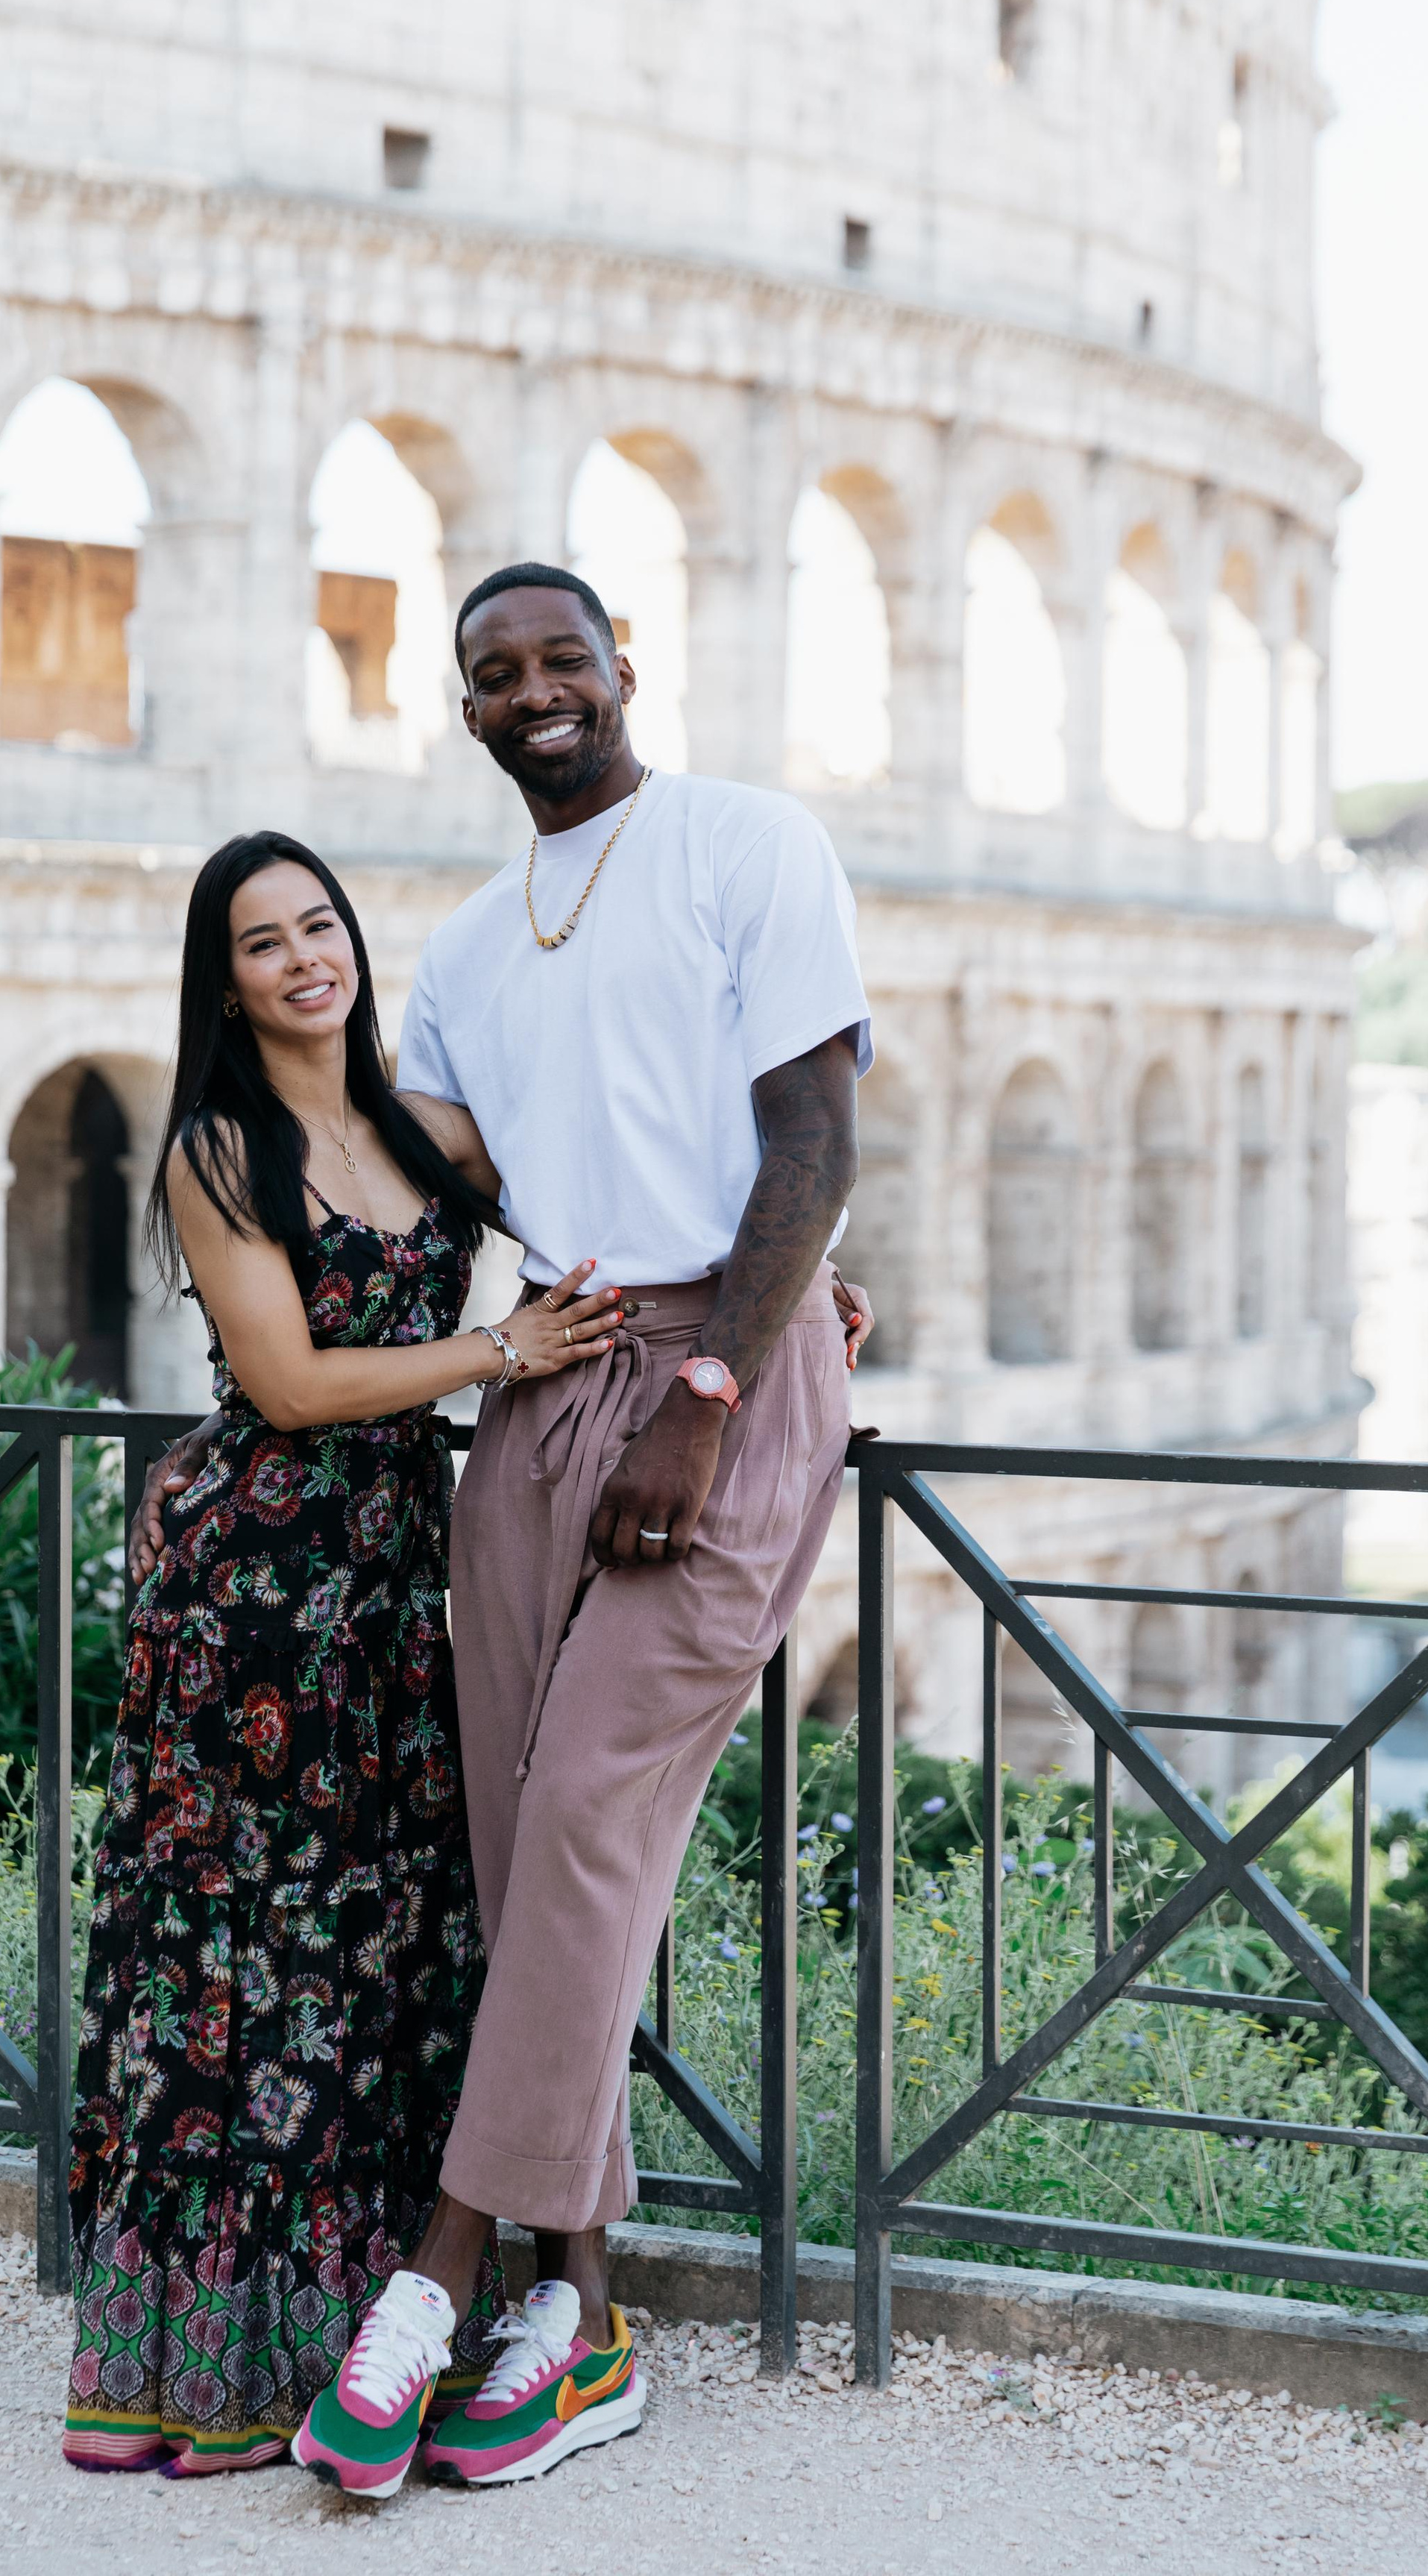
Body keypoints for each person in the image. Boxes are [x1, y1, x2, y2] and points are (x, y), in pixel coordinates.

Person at [133, 577, 874, 2501]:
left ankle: (430, 2288)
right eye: (492, 675)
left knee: (578, 1825)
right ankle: (586, 2314)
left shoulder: (744, 843)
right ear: (460, 710)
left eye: (560, 659)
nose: (531, 693)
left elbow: (811, 1137)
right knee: (509, 1840)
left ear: (626, 661)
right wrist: (245, 1342)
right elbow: (390, 1161)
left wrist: (737, 1371)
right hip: (546, 1385)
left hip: (712, 1375)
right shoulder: (459, 945)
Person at [64, 827, 624, 2478]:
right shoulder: (215, 1149)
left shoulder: (419, 1124)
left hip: (389, 1581)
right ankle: (215, 2346)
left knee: (383, 1934)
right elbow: (291, 1384)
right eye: (262, 941)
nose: (305, 957)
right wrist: (495, 1347)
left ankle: (379, 2318)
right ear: (221, 978)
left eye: (321, 926)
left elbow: (608, 1203)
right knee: (245, 1954)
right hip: (251, 1585)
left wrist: (786, 1297)